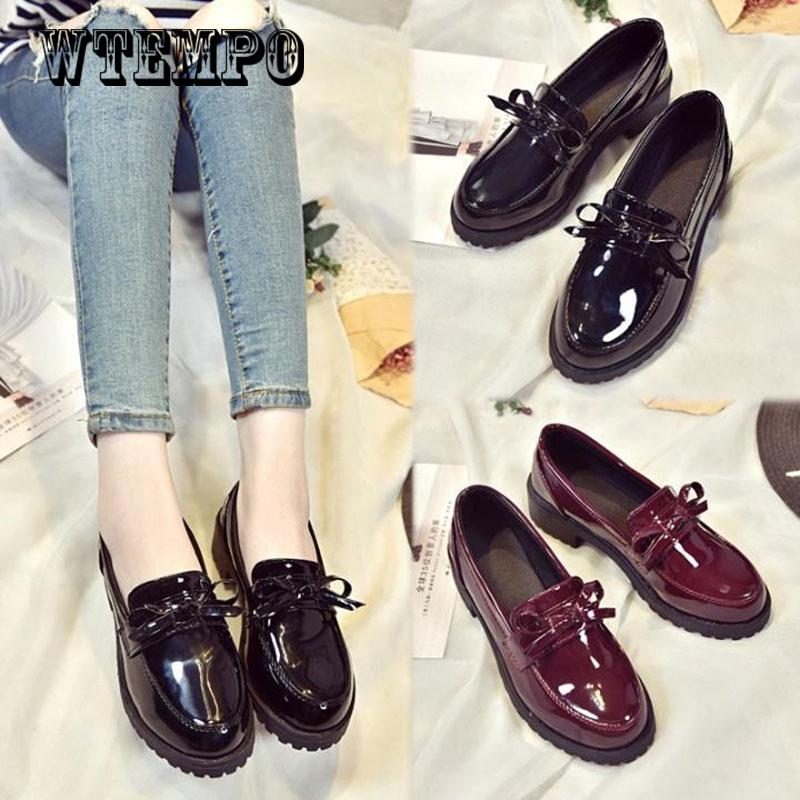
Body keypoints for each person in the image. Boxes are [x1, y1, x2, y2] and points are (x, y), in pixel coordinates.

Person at [0, 0, 360, 776]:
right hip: (61, 71)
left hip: (207, 96)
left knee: (242, 36)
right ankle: (135, 510)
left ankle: (273, 505)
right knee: (117, 43)